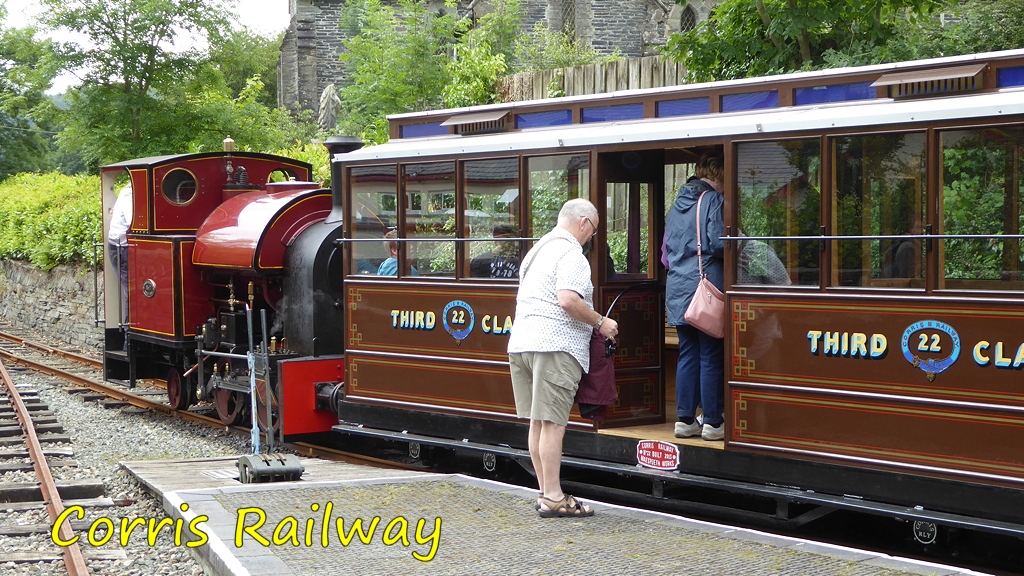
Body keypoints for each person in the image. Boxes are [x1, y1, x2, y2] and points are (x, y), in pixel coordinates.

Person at [507, 198, 619, 518]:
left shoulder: (538, 250)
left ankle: (545, 493)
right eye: (593, 231)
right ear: (583, 223)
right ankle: (555, 497)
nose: (591, 238)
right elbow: (568, 300)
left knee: (538, 422)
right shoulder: (571, 254)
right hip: (555, 346)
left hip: (523, 344)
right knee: (554, 425)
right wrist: (601, 322)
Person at [664, 151, 726, 441]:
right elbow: (717, 245)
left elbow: (667, 252)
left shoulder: (675, 205)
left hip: (677, 288)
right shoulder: (713, 200)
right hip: (705, 290)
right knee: (711, 354)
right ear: (717, 174)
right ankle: (713, 422)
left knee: (688, 353)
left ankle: (685, 419)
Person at [107, 183, 132, 340]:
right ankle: (128, 336)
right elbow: (133, 223)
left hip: (122, 246)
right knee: (131, 290)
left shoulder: (127, 194)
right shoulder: (129, 197)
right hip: (121, 249)